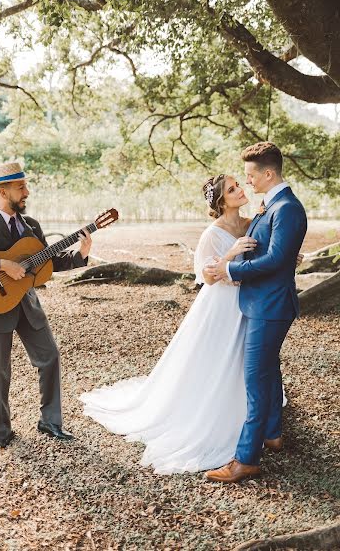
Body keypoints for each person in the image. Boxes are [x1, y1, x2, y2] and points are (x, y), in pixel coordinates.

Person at [80, 150, 303, 475]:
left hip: (256, 301)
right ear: (222, 202)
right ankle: (248, 430)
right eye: (232, 188)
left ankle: (264, 437)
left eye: (242, 181)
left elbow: (274, 252)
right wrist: (230, 259)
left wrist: (285, 259)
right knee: (238, 366)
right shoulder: (213, 233)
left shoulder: (259, 216)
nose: (243, 187)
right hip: (227, 303)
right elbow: (209, 275)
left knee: (258, 368)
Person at [0, 162, 92, 450]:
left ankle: (50, 422)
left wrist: (81, 255)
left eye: (25, 186)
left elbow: (46, 262)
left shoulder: (32, 226)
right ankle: (2, 433)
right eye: (21, 187)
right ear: (3, 191)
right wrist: (1, 265)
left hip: (26, 303)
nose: (27, 192)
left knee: (49, 357)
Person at [204, 142, 307, 482]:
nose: (247, 182)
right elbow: (276, 252)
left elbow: (276, 261)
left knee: (255, 379)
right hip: (262, 302)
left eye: (250, 176)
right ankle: (273, 433)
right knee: (268, 369)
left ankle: (246, 458)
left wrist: (230, 272)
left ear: (267, 173)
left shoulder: (287, 208)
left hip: (270, 305)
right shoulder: (271, 205)